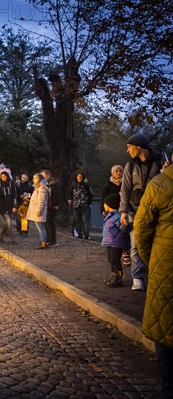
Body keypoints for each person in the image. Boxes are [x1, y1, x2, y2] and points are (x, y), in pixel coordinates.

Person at [134, 155, 172, 397]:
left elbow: (142, 227)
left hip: (165, 262)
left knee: (165, 321)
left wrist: (152, 261)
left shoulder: (158, 184)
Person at [119, 132, 167, 291]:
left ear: (139, 147)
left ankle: (154, 276)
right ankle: (137, 278)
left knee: (156, 244)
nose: (128, 151)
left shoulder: (161, 161)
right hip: (135, 210)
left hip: (156, 212)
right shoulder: (130, 165)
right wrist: (123, 211)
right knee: (135, 246)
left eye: (129, 147)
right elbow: (125, 189)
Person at [100, 194, 130, 287]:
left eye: (105, 204)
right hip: (109, 242)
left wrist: (124, 226)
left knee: (115, 260)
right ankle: (114, 276)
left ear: (111, 205)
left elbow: (122, 228)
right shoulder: (109, 215)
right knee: (111, 260)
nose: (104, 205)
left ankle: (118, 278)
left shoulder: (117, 216)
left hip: (116, 243)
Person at [68, 172, 93, 240]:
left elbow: (91, 195)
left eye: (80, 176)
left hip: (84, 205)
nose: (79, 177)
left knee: (85, 221)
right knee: (77, 221)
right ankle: (80, 235)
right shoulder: (73, 185)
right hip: (75, 206)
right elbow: (70, 193)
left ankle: (86, 235)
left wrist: (88, 203)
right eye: (78, 176)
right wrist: (70, 199)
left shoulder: (86, 185)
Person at [27, 173, 50, 249]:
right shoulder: (38, 188)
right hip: (37, 211)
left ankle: (43, 242)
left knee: (41, 228)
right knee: (40, 227)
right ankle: (42, 241)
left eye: (35, 178)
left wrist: (39, 211)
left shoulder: (42, 188)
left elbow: (41, 201)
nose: (33, 180)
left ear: (40, 179)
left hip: (39, 211)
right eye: (33, 178)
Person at [0, 168, 17, 243]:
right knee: (8, 222)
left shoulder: (11, 184)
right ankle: (12, 238)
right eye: (2, 176)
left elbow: (15, 195)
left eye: (5, 176)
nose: (4, 178)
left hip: (10, 206)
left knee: (8, 223)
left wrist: (15, 206)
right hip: (2, 207)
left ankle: (1, 234)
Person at [41, 169, 59, 246]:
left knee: (50, 223)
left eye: (43, 176)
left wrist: (55, 204)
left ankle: (53, 241)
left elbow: (56, 195)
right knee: (47, 223)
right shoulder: (47, 184)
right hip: (48, 206)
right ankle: (49, 239)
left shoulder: (53, 184)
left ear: (47, 175)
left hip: (52, 206)